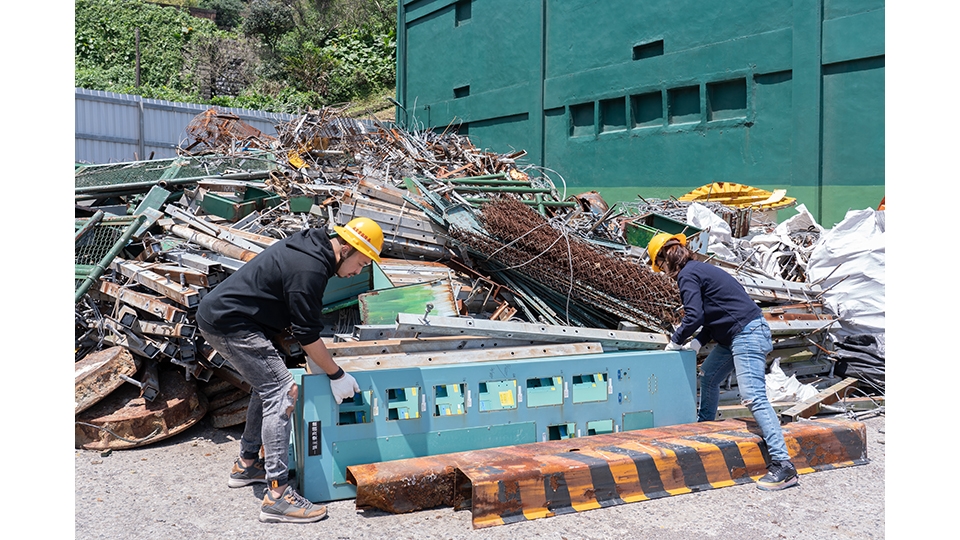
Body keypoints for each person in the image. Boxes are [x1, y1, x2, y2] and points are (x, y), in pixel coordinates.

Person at [196, 216, 385, 522]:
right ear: (347, 248)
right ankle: (277, 496)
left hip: (232, 318)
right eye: (361, 263)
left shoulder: (316, 249)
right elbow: (307, 334)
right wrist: (336, 374)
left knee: (268, 383)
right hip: (230, 323)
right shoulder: (310, 269)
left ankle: (247, 464)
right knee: (283, 390)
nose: (357, 273)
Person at [647, 232, 799, 491]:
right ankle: (705, 428)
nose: (662, 272)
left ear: (665, 258)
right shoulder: (700, 270)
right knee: (708, 375)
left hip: (746, 334)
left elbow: (694, 316)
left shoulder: (687, 275)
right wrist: (696, 343)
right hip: (736, 334)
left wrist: (675, 341)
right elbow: (712, 314)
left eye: (659, 265)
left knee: (753, 397)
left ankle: (783, 465)